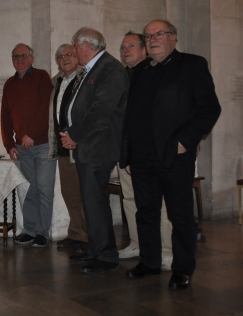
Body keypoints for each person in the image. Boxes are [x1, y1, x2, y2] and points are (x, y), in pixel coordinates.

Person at [122, 20, 221, 290]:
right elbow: (132, 117)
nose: (153, 39)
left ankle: (183, 268)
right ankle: (150, 261)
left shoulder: (191, 65)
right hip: (142, 158)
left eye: (159, 34)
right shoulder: (141, 71)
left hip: (174, 156)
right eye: (148, 36)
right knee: (146, 213)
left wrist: (186, 141)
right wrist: (128, 155)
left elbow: (210, 109)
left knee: (180, 215)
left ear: (173, 38)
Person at [61, 27, 129, 274]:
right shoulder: (92, 69)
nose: (75, 51)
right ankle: (96, 248)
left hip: (98, 146)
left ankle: (106, 255)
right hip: (87, 145)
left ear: (86, 46)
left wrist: (75, 135)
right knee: (90, 201)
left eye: (75, 46)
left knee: (96, 201)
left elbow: (101, 109)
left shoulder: (109, 68)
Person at [116, 32, 173, 270]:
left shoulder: (155, 72)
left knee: (158, 202)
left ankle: (168, 250)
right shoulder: (123, 76)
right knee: (130, 198)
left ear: (144, 50)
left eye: (131, 45)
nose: (125, 50)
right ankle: (138, 243)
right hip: (127, 149)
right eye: (122, 47)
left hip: (150, 151)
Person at [1, 43, 56, 247]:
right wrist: (9, 144)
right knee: (29, 190)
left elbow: (46, 108)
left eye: (23, 55)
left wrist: (31, 134)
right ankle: (30, 230)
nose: (20, 59)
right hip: (21, 148)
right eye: (15, 56)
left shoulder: (42, 77)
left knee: (44, 189)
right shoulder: (9, 84)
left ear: (31, 58)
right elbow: (5, 117)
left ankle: (43, 232)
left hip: (42, 144)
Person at [48, 44, 88, 252]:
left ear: (78, 57)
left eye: (69, 54)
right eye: (60, 56)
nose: (64, 59)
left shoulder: (85, 79)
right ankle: (76, 234)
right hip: (63, 145)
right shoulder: (56, 82)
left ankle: (89, 237)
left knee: (85, 193)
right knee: (70, 192)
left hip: (81, 145)